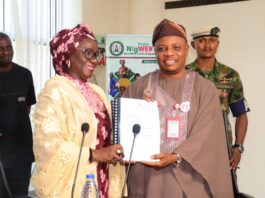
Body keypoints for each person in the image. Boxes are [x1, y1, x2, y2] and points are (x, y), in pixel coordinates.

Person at [123, 19, 233, 198]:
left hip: (190, 176)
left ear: (187, 50)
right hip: (148, 178)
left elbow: (207, 135)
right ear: (155, 51)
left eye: (176, 47)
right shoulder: (138, 87)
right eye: (162, 48)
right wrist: (138, 110)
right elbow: (124, 132)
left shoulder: (204, 89)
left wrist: (176, 155)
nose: (169, 53)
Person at [31, 24, 125, 198]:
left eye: (96, 54)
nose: (95, 60)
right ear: (68, 54)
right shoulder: (54, 90)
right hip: (76, 185)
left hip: (103, 178)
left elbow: (108, 133)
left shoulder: (96, 91)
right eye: (88, 53)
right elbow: (47, 145)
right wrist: (95, 154)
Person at [186, 26, 250, 170]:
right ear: (193, 45)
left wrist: (238, 147)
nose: (207, 45)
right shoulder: (184, 74)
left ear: (218, 44)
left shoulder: (230, 75)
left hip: (221, 145)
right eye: (202, 40)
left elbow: (241, 114)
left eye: (212, 40)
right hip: (189, 145)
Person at [0, 32, 36, 196]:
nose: (6, 52)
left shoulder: (25, 75)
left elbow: (27, 106)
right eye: (1, 49)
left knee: (20, 194)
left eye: (8, 48)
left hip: (21, 152)